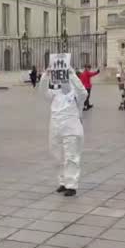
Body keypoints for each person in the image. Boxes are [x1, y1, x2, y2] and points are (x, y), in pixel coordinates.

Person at [39, 67, 88, 197]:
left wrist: (72, 75)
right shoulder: (55, 93)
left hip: (71, 127)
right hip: (55, 126)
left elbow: (83, 93)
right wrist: (46, 75)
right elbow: (43, 92)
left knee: (71, 156)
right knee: (57, 155)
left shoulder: (76, 95)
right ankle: (63, 181)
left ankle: (71, 185)